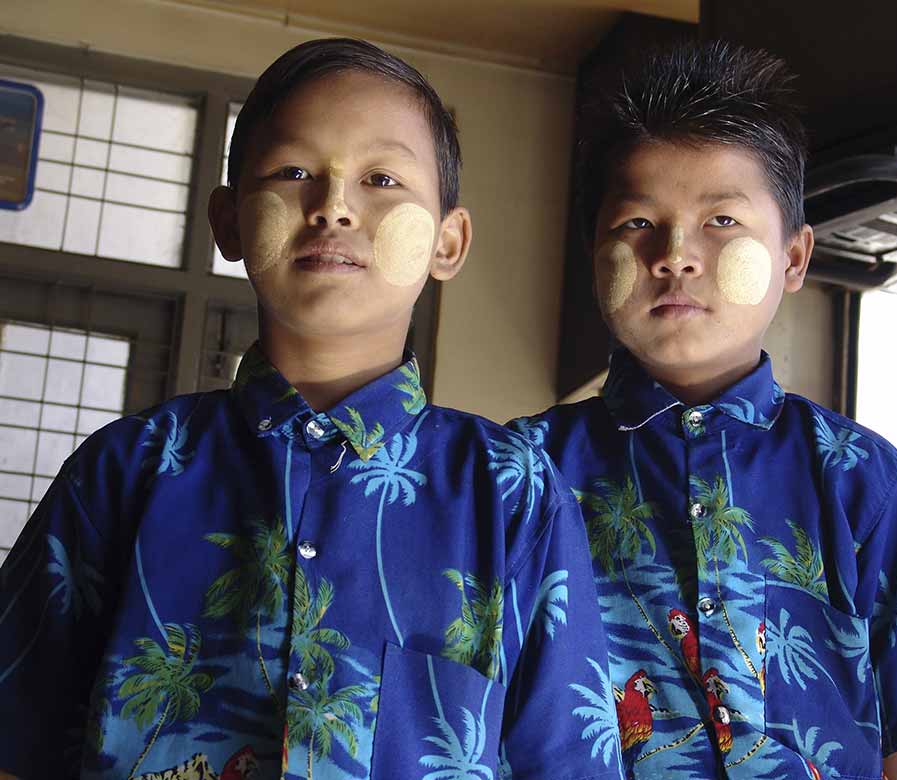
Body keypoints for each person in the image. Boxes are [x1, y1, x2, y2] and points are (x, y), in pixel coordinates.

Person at [0, 38, 621, 780]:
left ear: (447, 241)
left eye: (381, 178)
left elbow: (568, 763)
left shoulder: (514, 492)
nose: (333, 207)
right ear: (228, 221)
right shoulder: (124, 470)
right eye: (294, 172)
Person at [509, 41, 897, 780]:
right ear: (593, 255)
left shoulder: (866, 481)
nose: (675, 254)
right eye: (638, 223)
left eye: (721, 222)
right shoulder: (517, 473)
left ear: (795, 258)